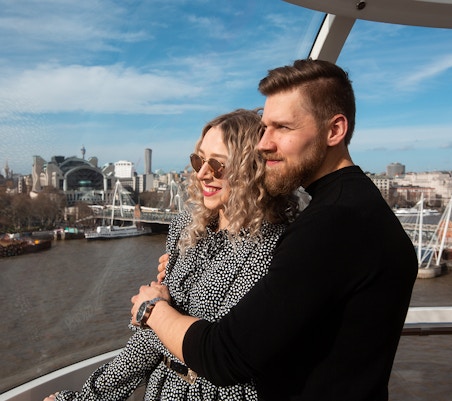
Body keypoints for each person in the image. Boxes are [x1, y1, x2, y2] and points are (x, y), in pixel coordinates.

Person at [131, 59, 418, 401]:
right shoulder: (354, 206)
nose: (264, 143)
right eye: (265, 127)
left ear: (334, 131)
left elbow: (225, 356)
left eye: (282, 127)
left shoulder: (334, 223)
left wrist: (154, 309)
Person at [44, 108, 300, 401]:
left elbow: (221, 352)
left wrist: (155, 312)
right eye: (199, 160)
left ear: (252, 170)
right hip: (163, 390)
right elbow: (150, 340)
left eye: (217, 165)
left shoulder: (273, 247)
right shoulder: (185, 227)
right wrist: (88, 397)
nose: (202, 173)